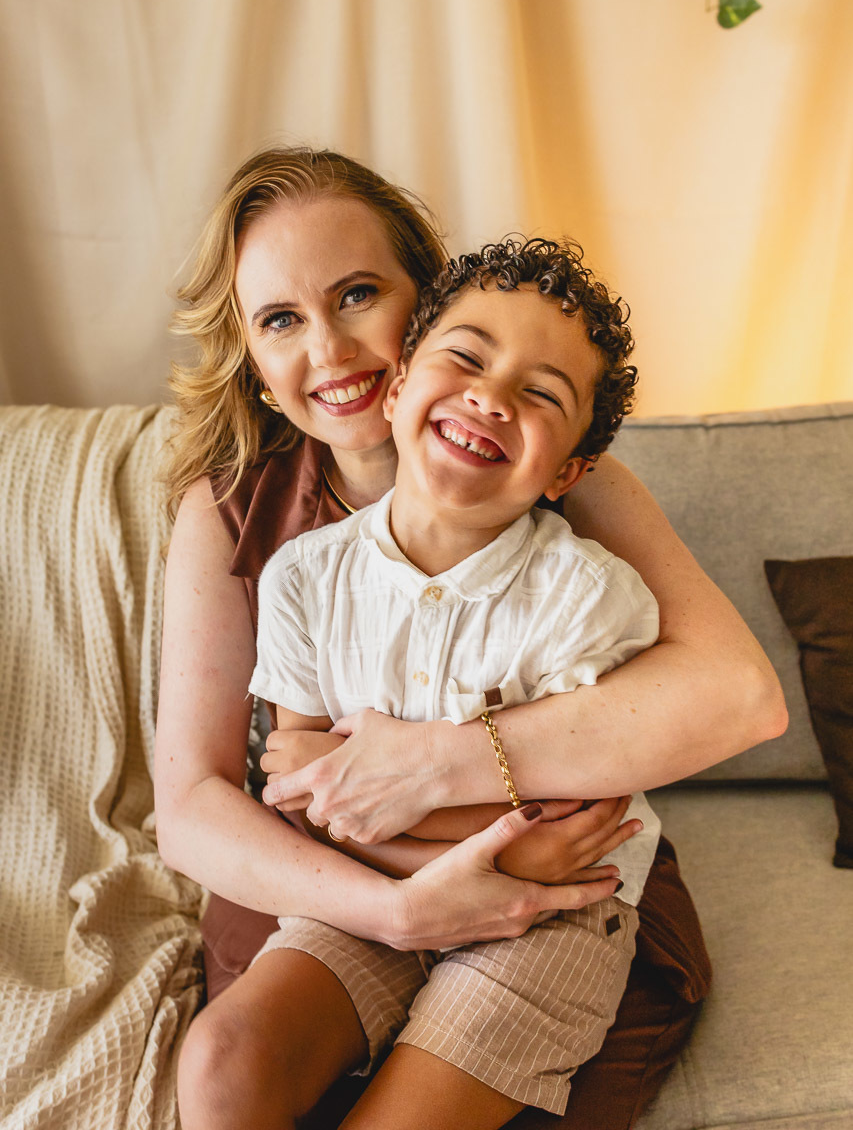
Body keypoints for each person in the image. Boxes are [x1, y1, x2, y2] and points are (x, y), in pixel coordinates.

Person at [155, 146, 786, 1130]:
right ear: (249, 349)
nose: (327, 347)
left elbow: (733, 697)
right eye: (280, 318)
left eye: (357, 293)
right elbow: (204, 799)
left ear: (422, 300)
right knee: (235, 1066)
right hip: (329, 878)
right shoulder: (247, 520)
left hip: (546, 886)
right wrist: (400, 907)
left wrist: (436, 764)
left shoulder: (556, 492)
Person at [247, 237, 665, 1120]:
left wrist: (371, 806)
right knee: (225, 1059)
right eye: (467, 357)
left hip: (550, 915)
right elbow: (298, 790)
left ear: (567, 473)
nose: (489, 395)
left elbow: (574, 832)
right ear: (398, 389)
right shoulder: (301, 576)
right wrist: (462, 856)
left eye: (540, 392)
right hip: (374, 892)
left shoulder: (590, 598)